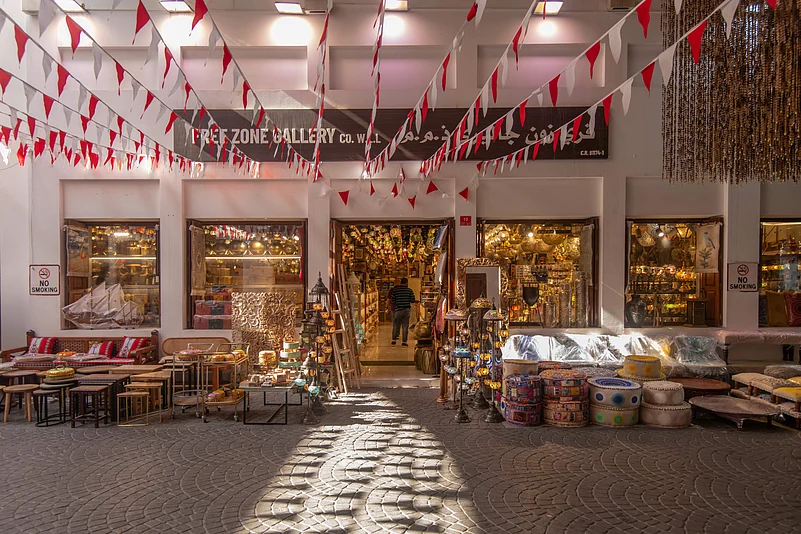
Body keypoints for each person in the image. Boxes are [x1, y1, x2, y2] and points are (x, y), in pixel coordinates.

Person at [388, 277, 416, 346]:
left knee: (396, 325)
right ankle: (404, 342)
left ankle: (393, 340)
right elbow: (412, 300)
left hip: (398, 310)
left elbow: (393, 301)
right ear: (406, 283)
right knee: (405, 326)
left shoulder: (395, 290)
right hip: (406, 310)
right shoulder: (409, 290)